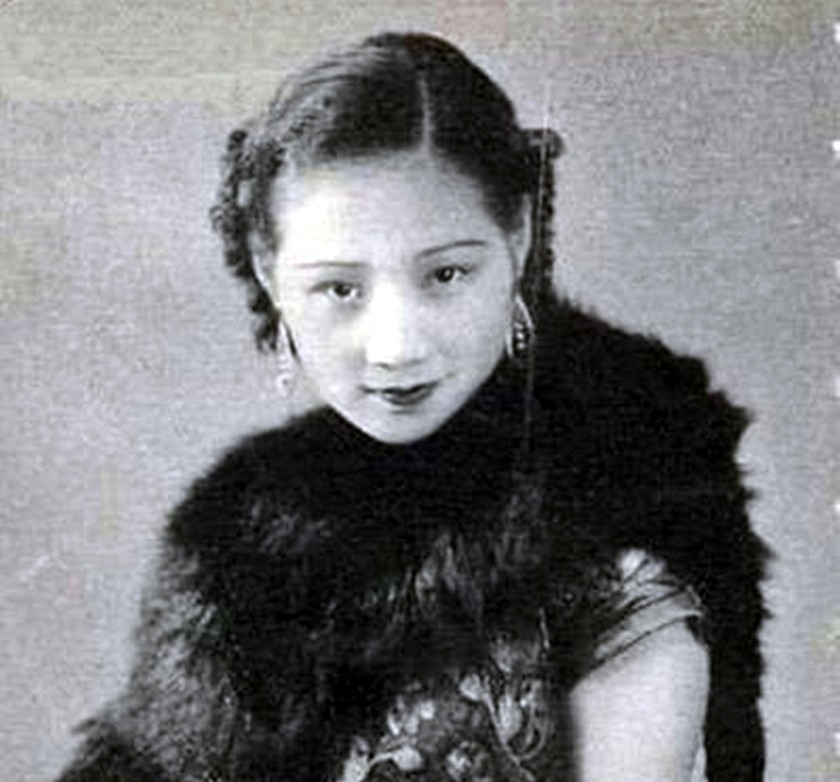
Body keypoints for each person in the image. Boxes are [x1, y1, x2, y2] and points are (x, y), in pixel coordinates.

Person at [56, 32, 769, 782]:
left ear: (518, 237)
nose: (396, 347)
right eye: (340, 288)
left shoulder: (625, 524)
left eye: (447, 275)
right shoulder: (230, 551)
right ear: (270, 273)